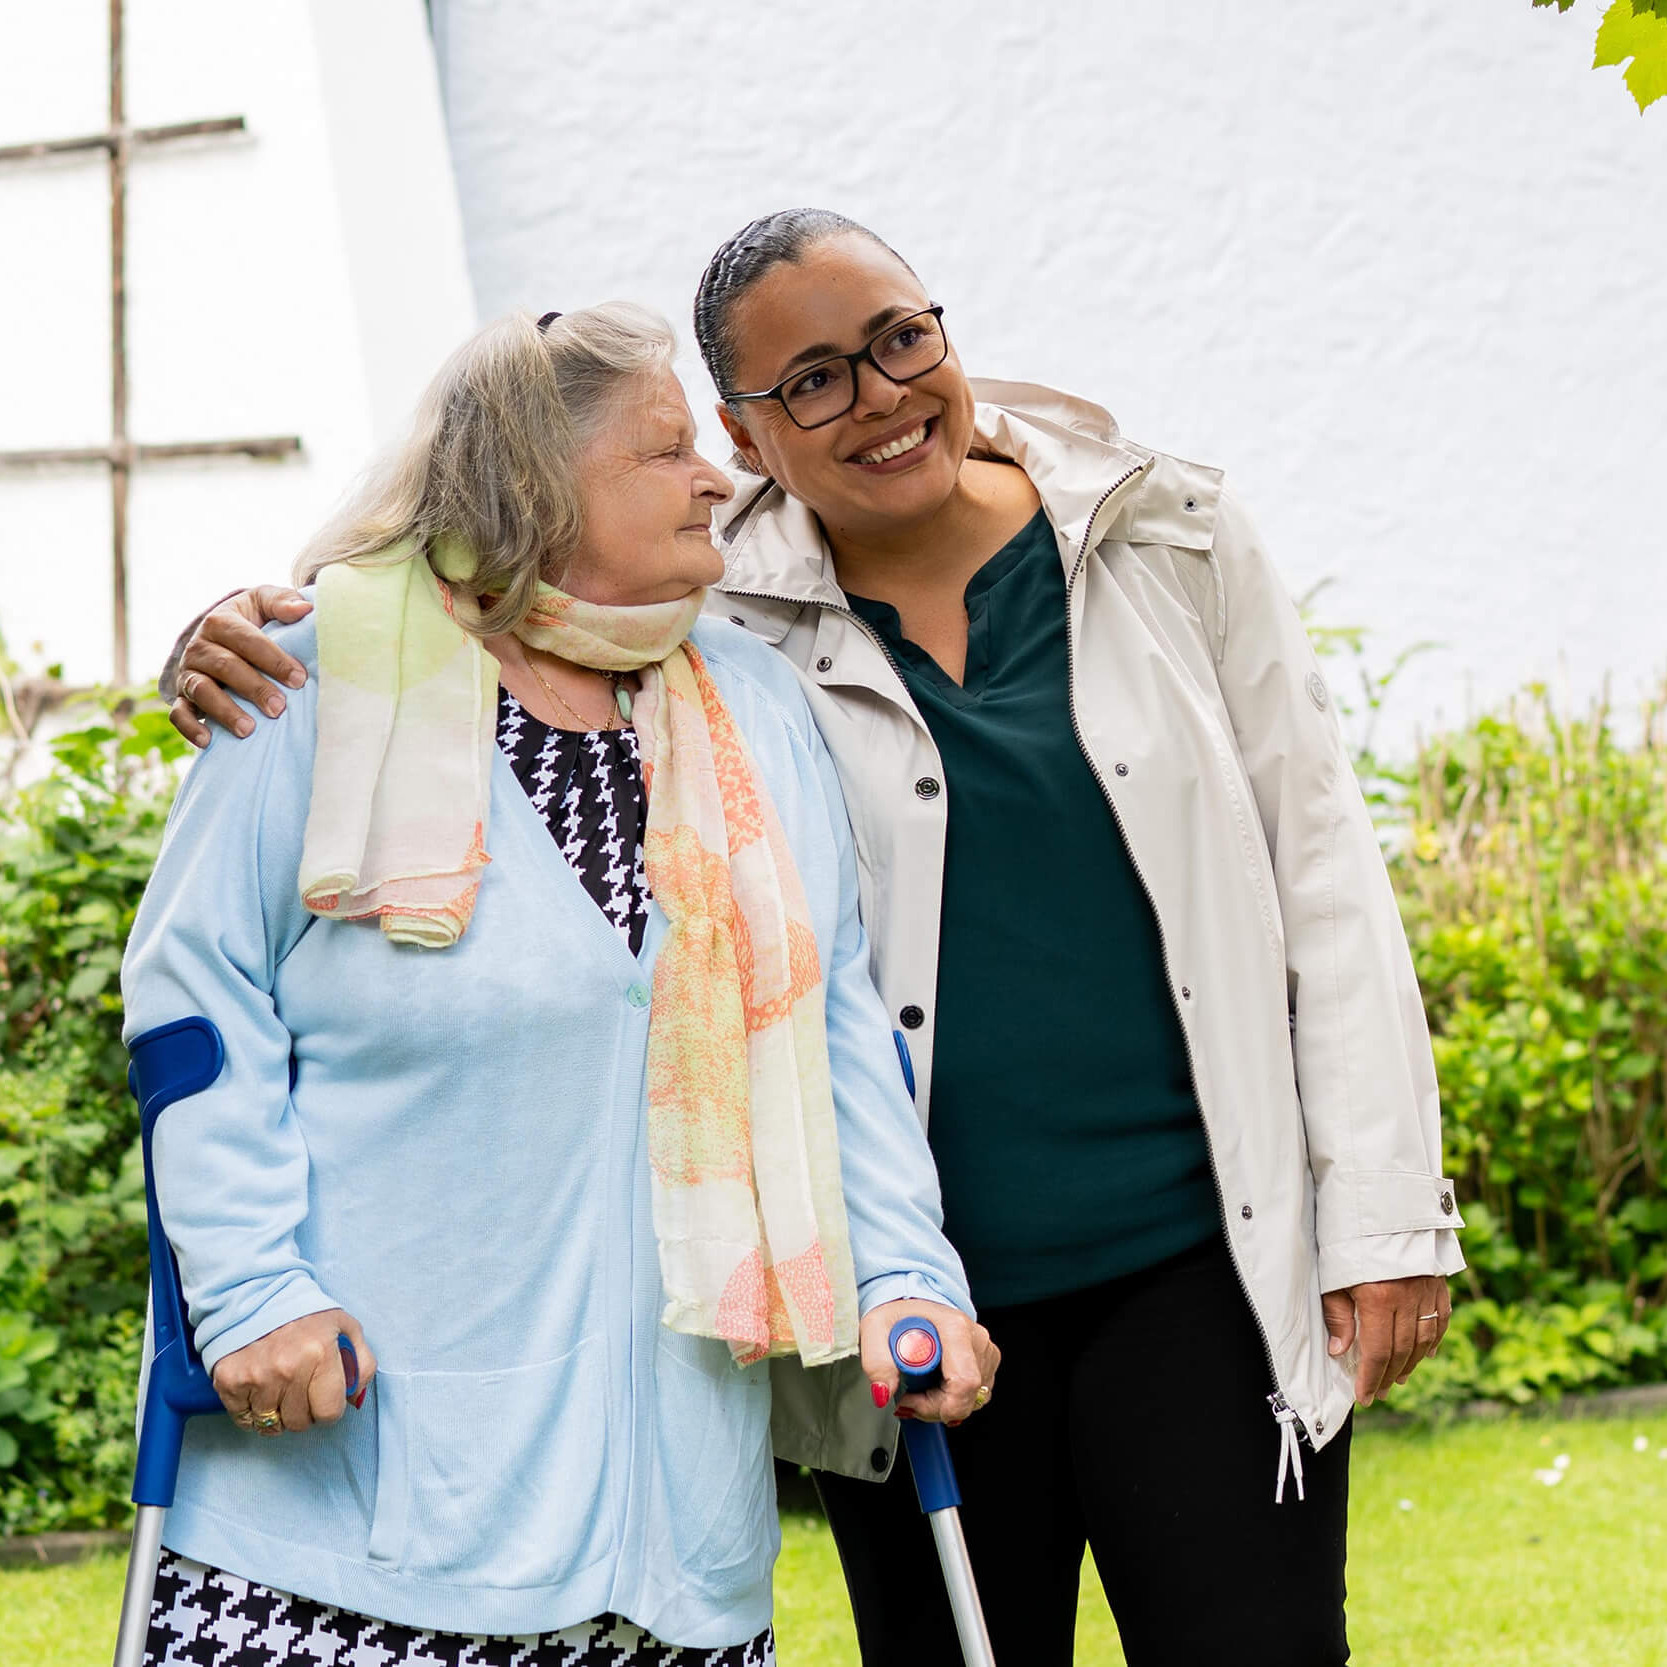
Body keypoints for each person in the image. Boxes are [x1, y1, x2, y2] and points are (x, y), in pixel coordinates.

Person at [158, 211, 1464, 1667]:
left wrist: (1387, 1213)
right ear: (751, 429)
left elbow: (1325, 882)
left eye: (902, 338)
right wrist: (236, 631)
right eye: (811, 384)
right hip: (914, 1291)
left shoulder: (1148, 543)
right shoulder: (726, 614)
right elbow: (457, 598)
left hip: (1190, 1257)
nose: (880, 396)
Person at [121, 300, 997, 1667]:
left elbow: (831, 1030)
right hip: (355, 1496)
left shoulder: (750, 704)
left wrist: (905, 1272)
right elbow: (196, 1005)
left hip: (671, 1529)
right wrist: (250, 1298)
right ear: (535, 478)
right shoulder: (318, 672)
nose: (717, 475)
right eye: (664, 452)